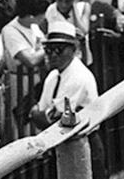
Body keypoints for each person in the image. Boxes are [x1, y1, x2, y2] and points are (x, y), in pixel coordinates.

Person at [32, 21, 104, 177]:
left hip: (84, 143)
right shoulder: (53, 76)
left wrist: (39, 115)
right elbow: (43, 115)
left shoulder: (78, 77)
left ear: (73, 49)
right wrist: (40, 115)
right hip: (61, 144)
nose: (52, 55)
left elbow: (52, 120)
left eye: (58, 49)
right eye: (48, 50)